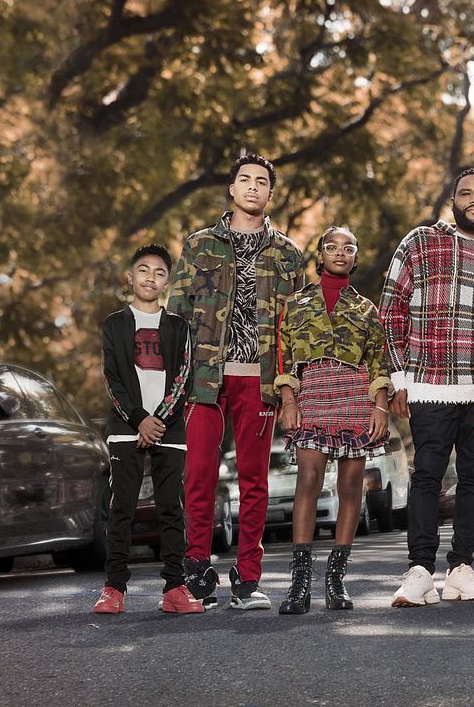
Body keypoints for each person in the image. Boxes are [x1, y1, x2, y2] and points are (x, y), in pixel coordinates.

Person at [381, 167, 474, 607]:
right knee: (426, 476)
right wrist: (399, 377)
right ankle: (419, 571)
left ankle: (461, 569)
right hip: (428, 385)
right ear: (453, 200)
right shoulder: (419, 243)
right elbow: (392, 310)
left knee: (472, 480)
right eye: (467, 193)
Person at [168, 154, 303, 610]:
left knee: (254, 480)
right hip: (205, 379)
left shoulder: (287, 253)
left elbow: (296, 330)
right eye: (244, 180)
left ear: (270, 192)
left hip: (259, 382)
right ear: (231, 189)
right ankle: (196, 566)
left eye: (261, 182)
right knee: (200, 473)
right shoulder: (200, 244)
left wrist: (289, 389)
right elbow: (177, 316)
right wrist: (176, 381)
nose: (252, 187)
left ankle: (248, 577)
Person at [274, 226, 392, 614]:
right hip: (314, 392)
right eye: (331, 247)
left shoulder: (367, 310)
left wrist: (380, 406)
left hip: (356, 397)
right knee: (307, 479)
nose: (340, 253)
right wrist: (288, 399)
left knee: (350, 486)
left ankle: (335, 580)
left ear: (355, 258)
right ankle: (299, 584)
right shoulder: (296, 304)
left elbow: (379, 362)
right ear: (320, 255)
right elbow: (283, 357)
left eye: (348, 248)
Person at [94, 245, 202, 614]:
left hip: (168, 428)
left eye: (159, 273)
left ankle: (175, 588)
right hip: (126, 427)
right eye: (143, 270)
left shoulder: (178, 326)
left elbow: (185, 377)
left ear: (167, 282)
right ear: (130, 277)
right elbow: (112, 379)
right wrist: (139, 419)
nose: (150, 278)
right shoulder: (115, 324)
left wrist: (157, 422)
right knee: (121, 507)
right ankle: (114, 589)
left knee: (171, 507)